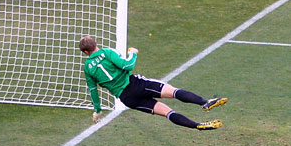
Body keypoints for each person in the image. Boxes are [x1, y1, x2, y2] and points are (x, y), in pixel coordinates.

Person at [79, 36, 228, 130]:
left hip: (127, 98)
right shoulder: (107, 52)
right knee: (174, 92)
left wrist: (97, 110)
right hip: (135, 84)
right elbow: (127, 65)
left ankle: (198, 125)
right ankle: (204, 102)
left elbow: (93, 91)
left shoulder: (87, 68)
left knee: (168, 113)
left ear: (86, 52)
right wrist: (133, 53)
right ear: (95, 44)